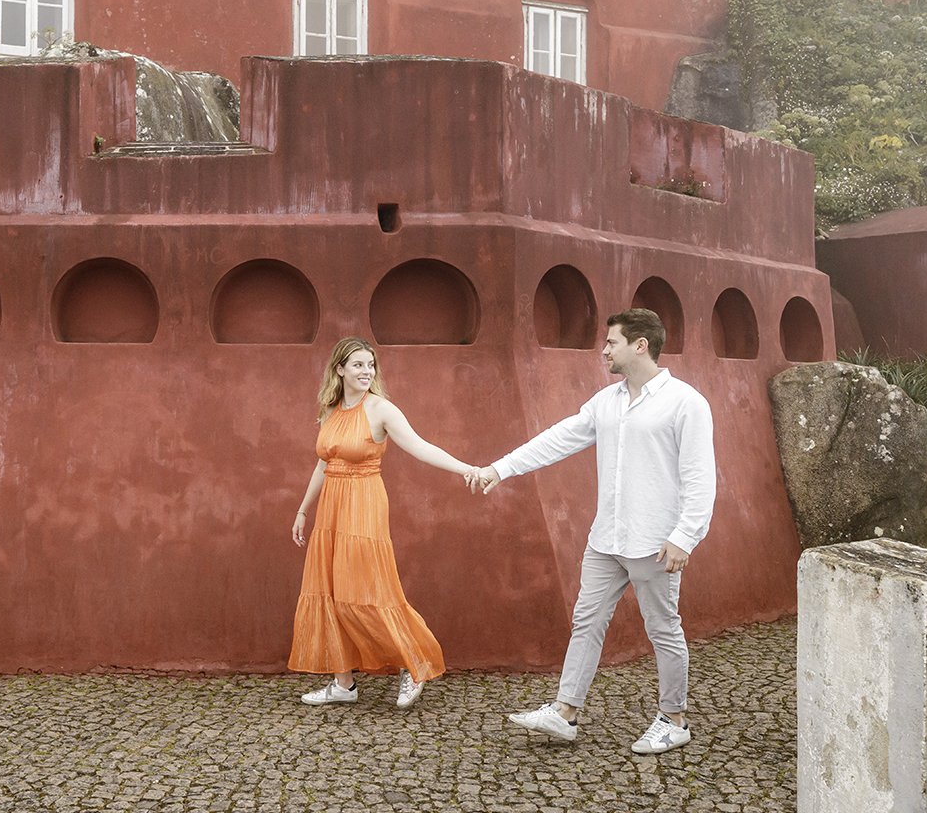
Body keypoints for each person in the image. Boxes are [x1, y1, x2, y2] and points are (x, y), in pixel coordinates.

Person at [469, 308, 715, 754]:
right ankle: (565, 712)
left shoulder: (686, 402)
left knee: (663, 628)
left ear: (640, 345)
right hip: (607, 540)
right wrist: (500, 469)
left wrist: (685, 536)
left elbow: (701, 477)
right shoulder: (607, 401)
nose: (603, 351)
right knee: (586, 621)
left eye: (611, 343)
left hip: (656, 543)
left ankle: (673, 719)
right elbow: (558, 438)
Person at [289, 337, 477, 710]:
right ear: (339, 369)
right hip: (331, 507)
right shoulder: (331, 409)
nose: (366, 372)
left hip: (363, 504)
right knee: (330, 591)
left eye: (370, 365)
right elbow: (324, 464)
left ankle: (413, 663)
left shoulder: (381, 410)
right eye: (358, 365)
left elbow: (420, 446)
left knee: (368, 590)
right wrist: (303, 510)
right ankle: (343, 683)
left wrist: (465, 468)